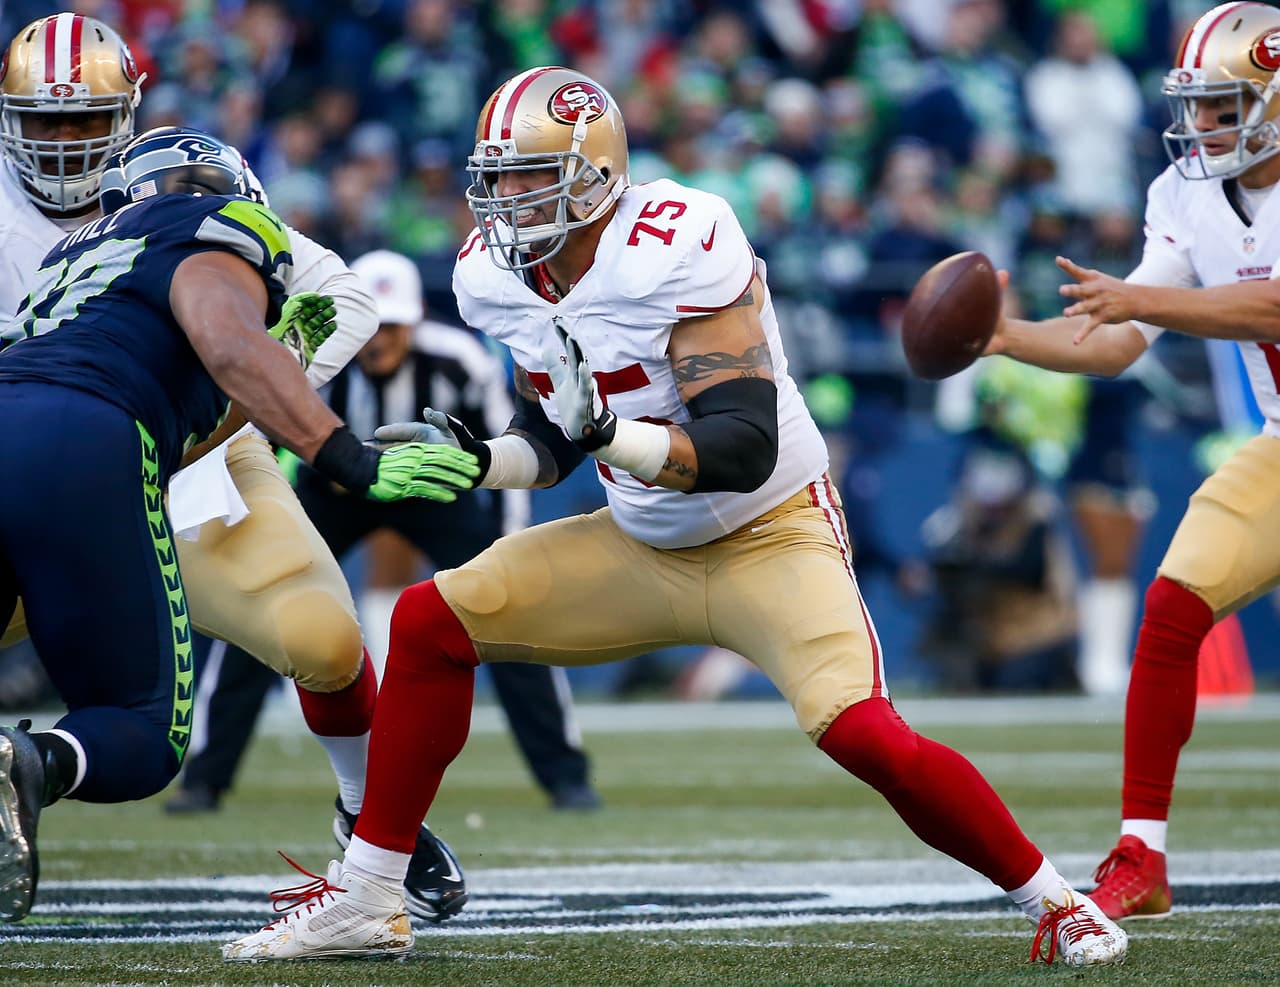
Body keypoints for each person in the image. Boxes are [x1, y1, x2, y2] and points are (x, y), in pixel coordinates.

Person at [222, 66, 1126, 967]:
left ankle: (1059, 902)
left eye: (530, 174)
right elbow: (555, 432)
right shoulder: (496, 275)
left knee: (862, 733)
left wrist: (609, 433)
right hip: (644, 539)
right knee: (429, 622)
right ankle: (370, 892)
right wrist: (481, 460)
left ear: (596, 172)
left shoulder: (675, 240)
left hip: (771, 531)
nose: (507, 198)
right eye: (497, 176)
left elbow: (743, 444)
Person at [0, 15, 471, 923]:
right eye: (44, 120)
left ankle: (370, 817)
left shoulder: (175, 185)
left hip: (190, 461)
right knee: (143, 721)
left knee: (324, 641)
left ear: (127, 115)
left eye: (85, 119)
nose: (65, 142)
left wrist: (228, 406)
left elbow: (339, 299)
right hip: (71, 458)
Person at [969, 1, 1280, 920]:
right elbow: (1115, 341)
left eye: (1225, 105)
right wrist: (1004, 335)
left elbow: (1271, 308)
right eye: (1197, 104)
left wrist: (1140, 299)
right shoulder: (1185, 192)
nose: (1204, 124)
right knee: (1174, 605)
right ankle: (1142, 855)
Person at [167, 249, 600, 815]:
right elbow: (258, 436)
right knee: (262, 606)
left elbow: (512, 443)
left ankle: (565, 775)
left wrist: (508, 539)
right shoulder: (318, 354)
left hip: (432, 493)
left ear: (415, 323)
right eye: (372, 327)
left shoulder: (459, 359)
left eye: (393, 327)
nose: (379, 343)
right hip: (334, 490)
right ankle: (205, 778)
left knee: (509, 608)